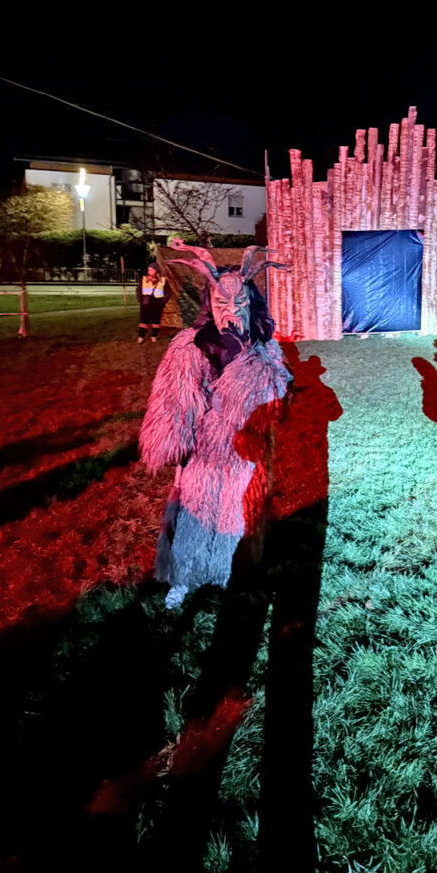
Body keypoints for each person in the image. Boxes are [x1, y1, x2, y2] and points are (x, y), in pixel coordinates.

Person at [139, 241, 291, 607]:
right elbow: (172, 399)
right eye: (223, 304)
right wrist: (177, 443)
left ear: (251, 305)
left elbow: (277, 396)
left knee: (231, 514)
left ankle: (221, 574)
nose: (231, 312)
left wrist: (243, 362)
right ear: (211, 304)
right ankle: (184, 579)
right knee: (194, 511)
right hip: (203, 449)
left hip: (241, 447)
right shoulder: (189, 345)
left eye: (240, 304)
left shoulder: (264, 347)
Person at [136, 262, 169, 343]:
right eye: (148, 268)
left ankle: (154, 336)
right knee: (143, 320)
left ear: (156, 270)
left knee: (156, 321)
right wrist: (141, 300)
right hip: (146, 303)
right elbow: (138, 290)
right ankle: (141, 337)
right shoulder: (144, 279)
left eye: (151, 269)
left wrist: (162, 302)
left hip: (157, 303)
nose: (149, 270)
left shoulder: (163, 280)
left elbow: (168, 292)